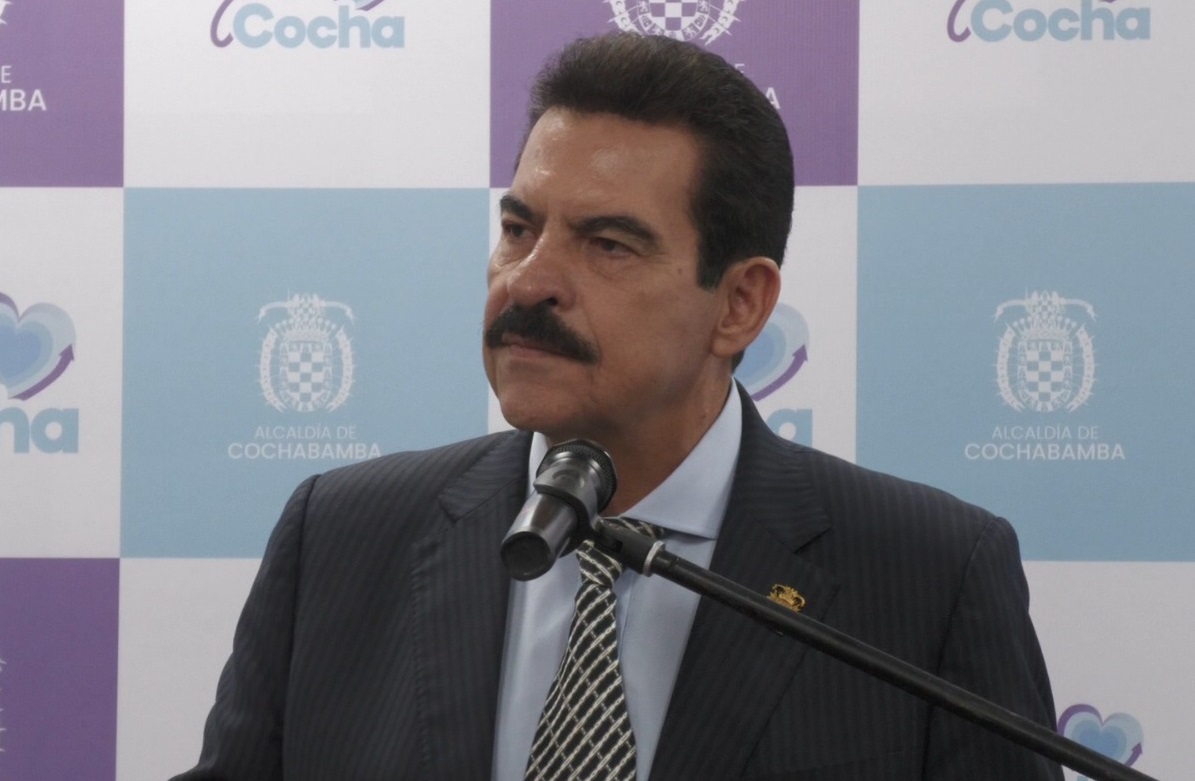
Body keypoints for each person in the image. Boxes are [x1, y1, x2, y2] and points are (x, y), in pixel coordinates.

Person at [173, 32, 1062, 780]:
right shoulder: (341, 535)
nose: (528, 281)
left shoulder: (928, 574)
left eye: (606, 244)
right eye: (518, 228)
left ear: (739, 303)